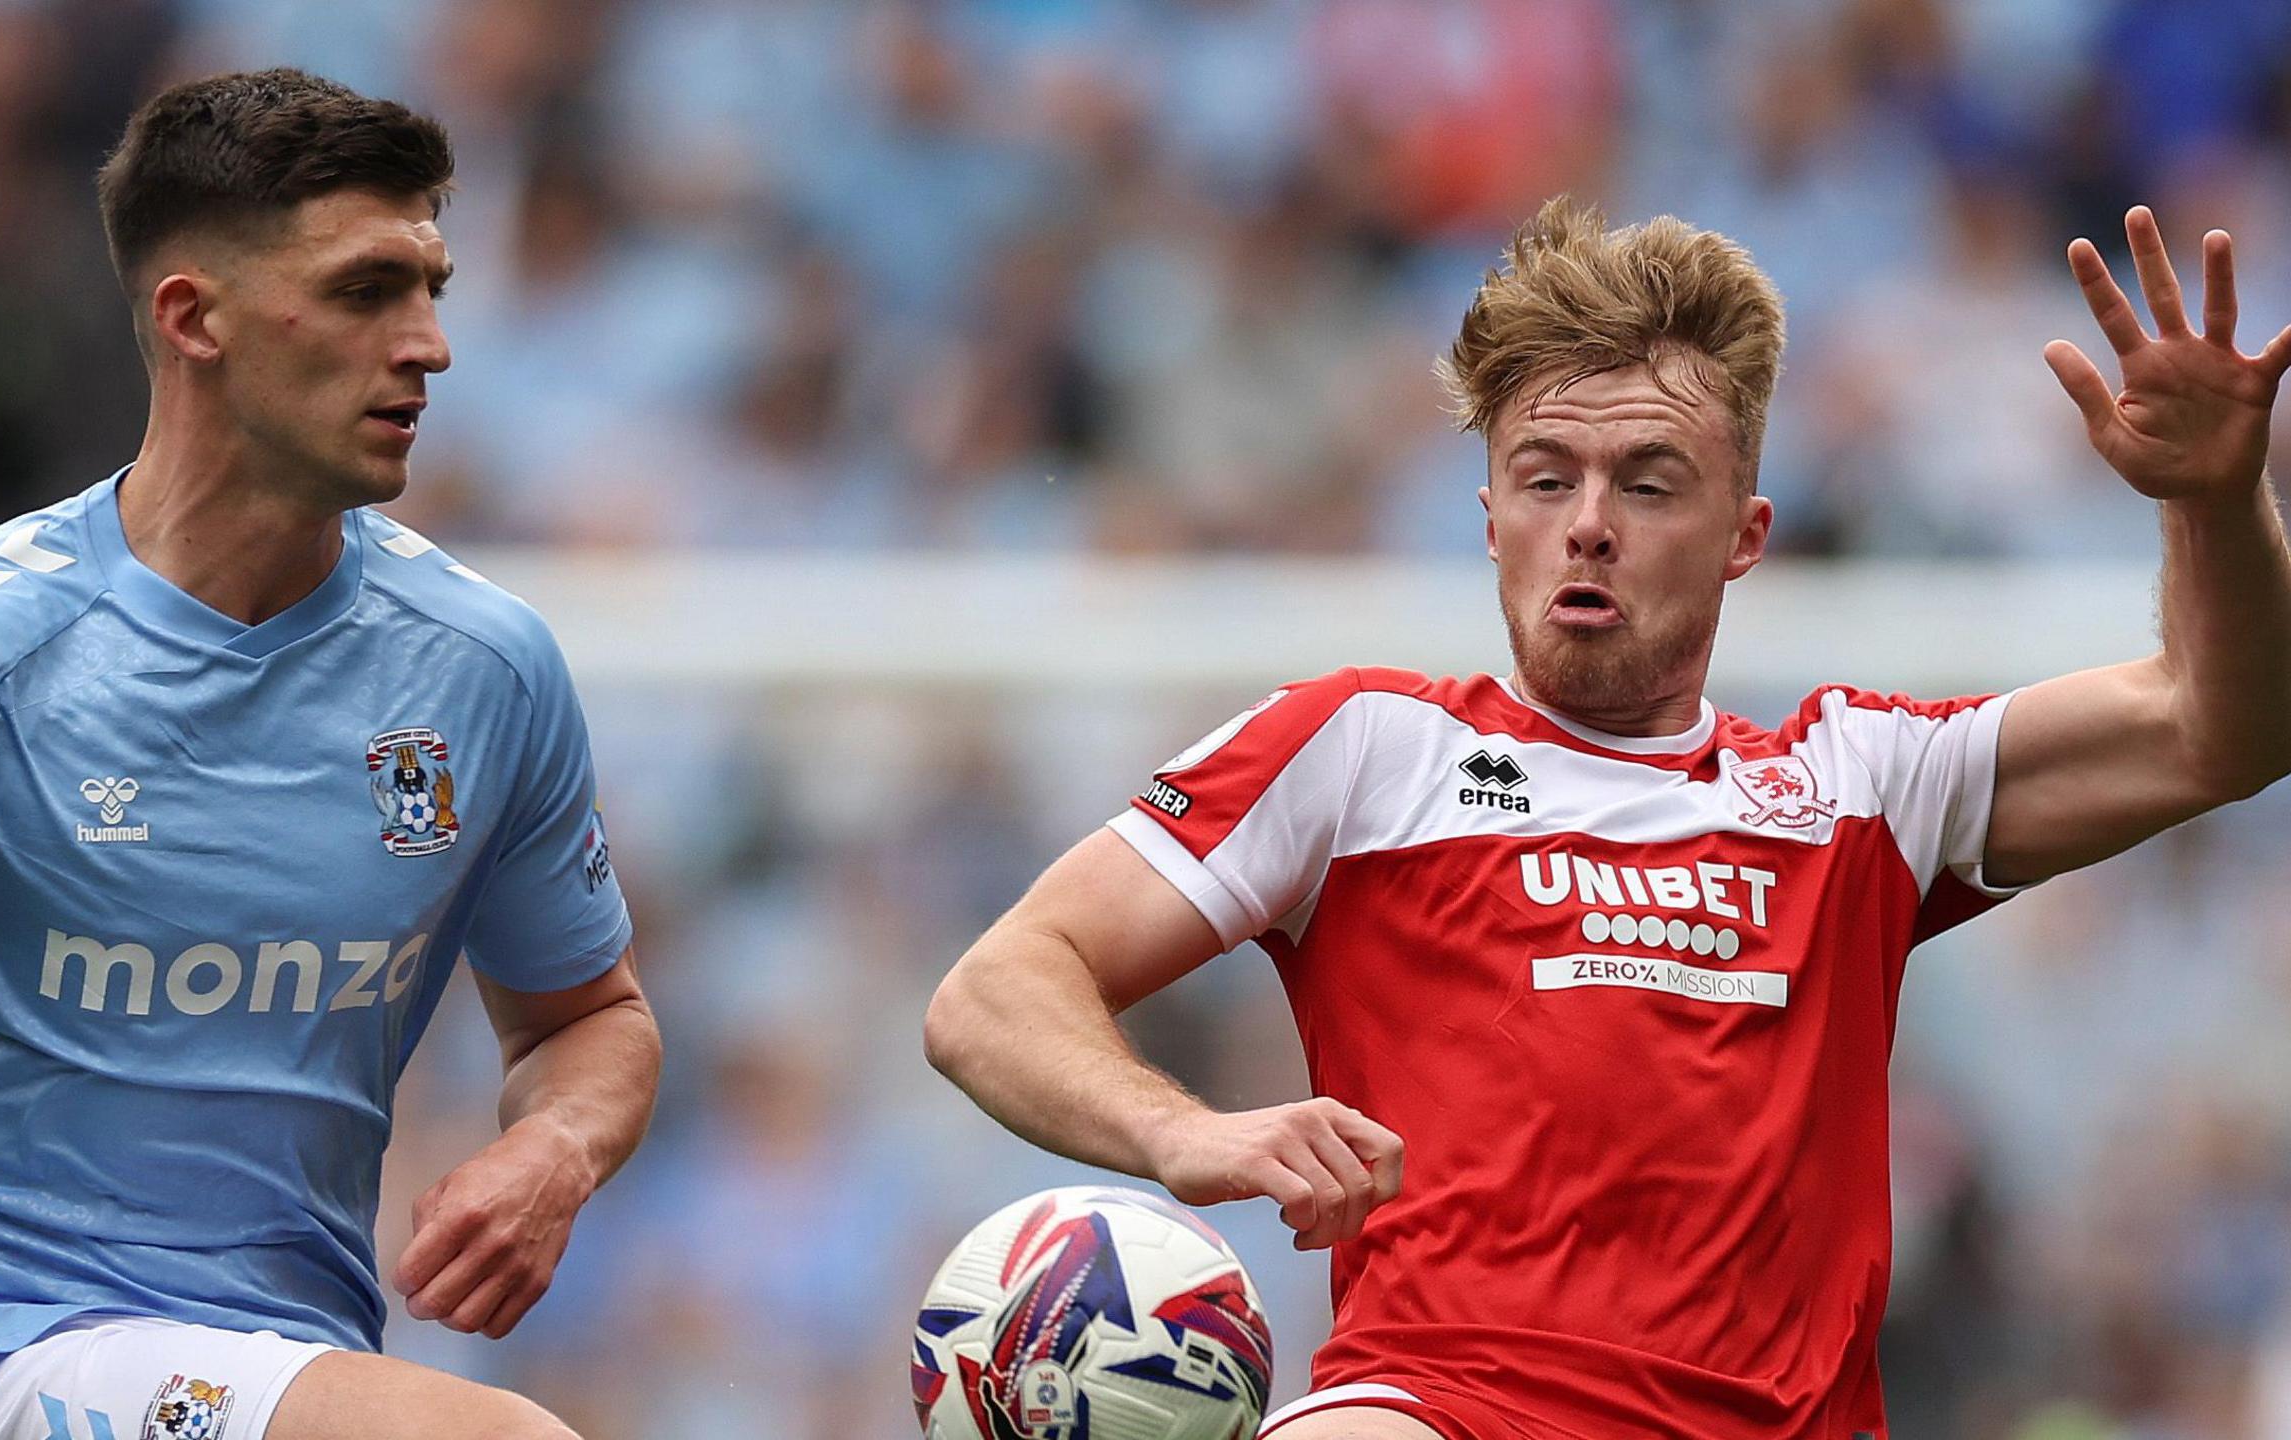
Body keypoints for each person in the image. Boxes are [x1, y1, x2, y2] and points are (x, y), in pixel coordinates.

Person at [923, 196, 2291, 1439]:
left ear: (1745, 534)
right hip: (1444, 1410)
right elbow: (994, 994)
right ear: (1490, 519)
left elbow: (2219, 727)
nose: (1589, 523)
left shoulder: (1864, 780)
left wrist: (2215, 502)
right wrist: (1188, 1134)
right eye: (1545, 478)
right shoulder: (1365, 751)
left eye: (1646, 483)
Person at [0, 69, 657, 1440]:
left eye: (432, 287)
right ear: (193, 318)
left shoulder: (483, 669)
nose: (430, 345)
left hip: (282, 1359)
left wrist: (557, 1148)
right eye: (364, 292)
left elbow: (589, 1019)